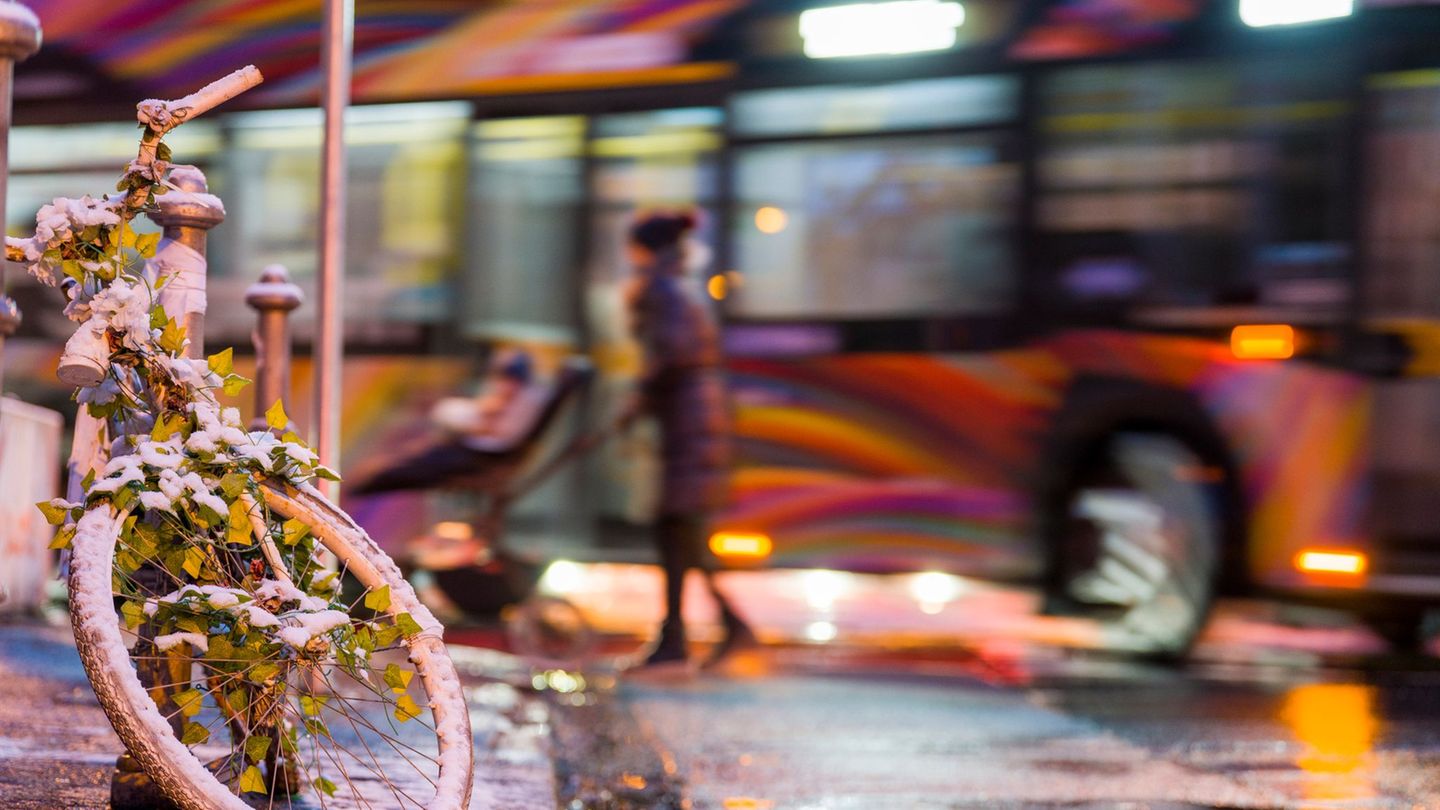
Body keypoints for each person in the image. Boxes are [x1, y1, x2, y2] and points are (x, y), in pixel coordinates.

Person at [621, 209, 756, 669]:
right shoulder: (679, 285)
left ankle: (681, 638)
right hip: (696, 418)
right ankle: (711, 629)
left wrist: (637, 398)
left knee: (676, 530)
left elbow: (670, 354)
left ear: (644, 248)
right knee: (681, 532)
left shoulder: (661, 288)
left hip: (688, 422)